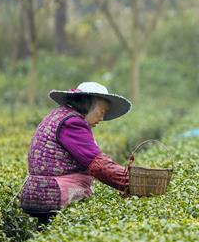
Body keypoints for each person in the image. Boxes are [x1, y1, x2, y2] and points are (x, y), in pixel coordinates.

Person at [19, 81, 132, 227]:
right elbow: (97, 164)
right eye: (101, 111)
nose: (102, 118)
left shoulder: (61, 114)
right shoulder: (72, 123)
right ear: (88, 105)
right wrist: (131, 182)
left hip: (42, 191)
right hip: (52, 193)